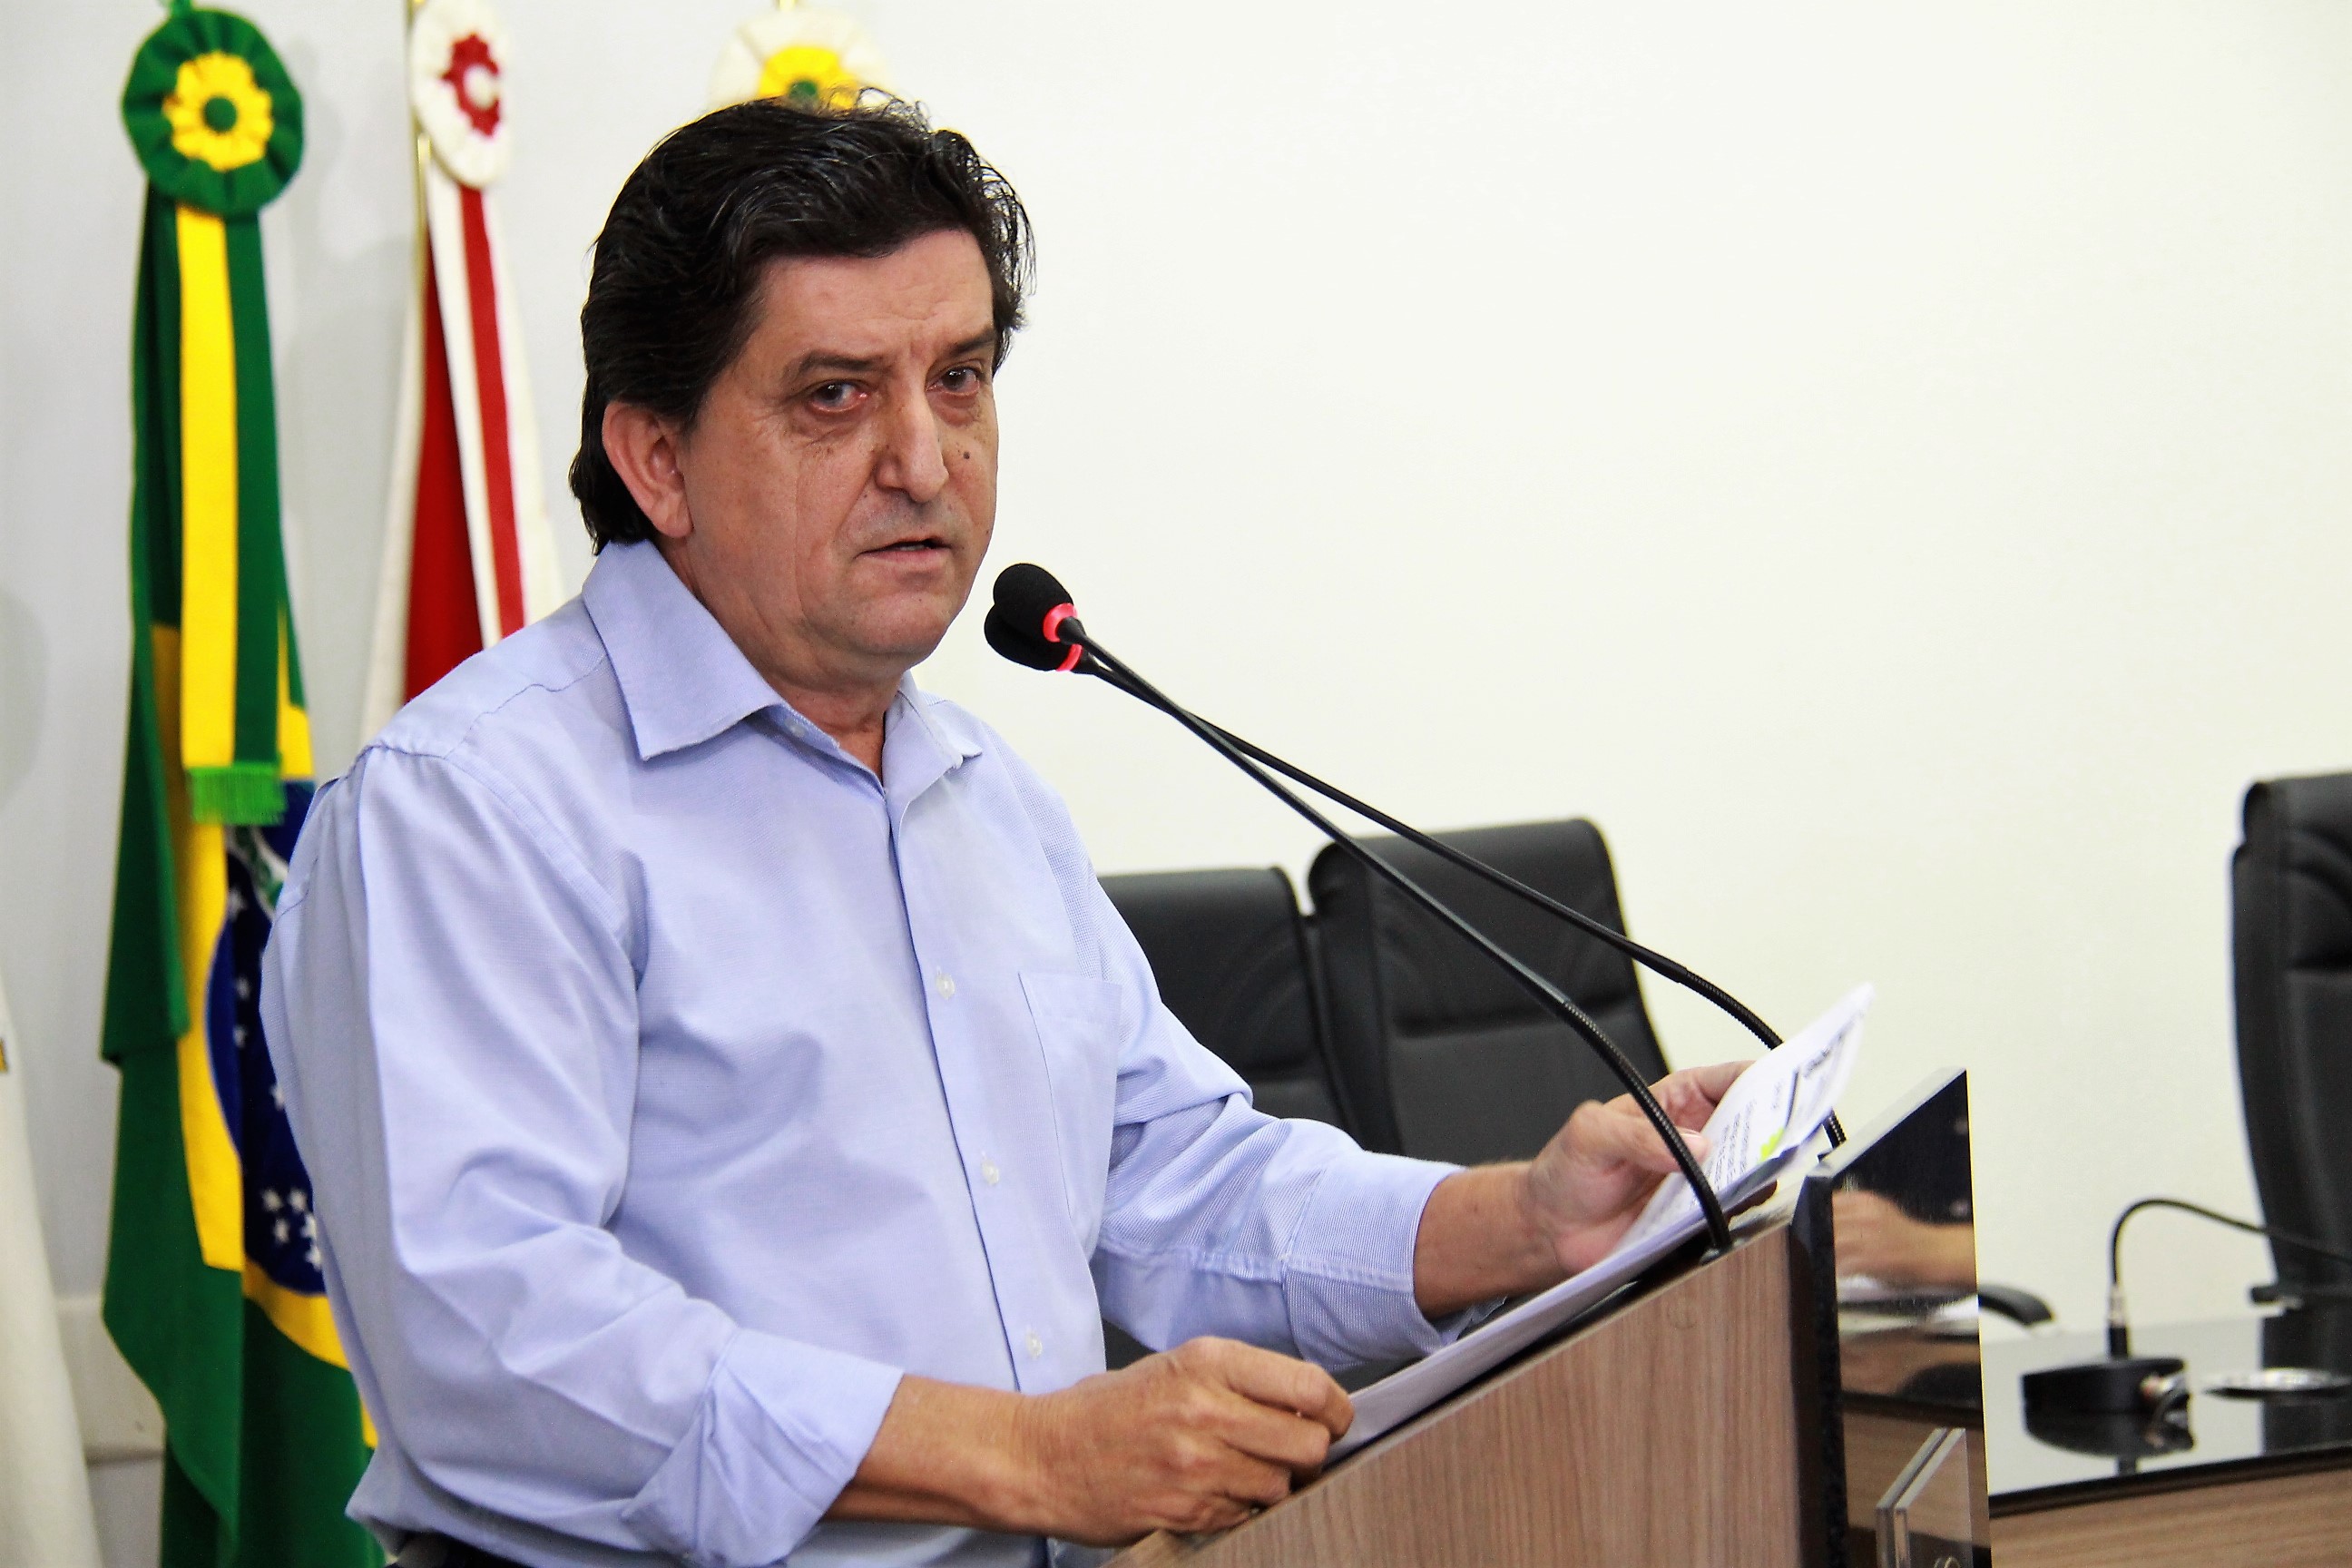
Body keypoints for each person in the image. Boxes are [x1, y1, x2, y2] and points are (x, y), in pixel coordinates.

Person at [262, 98, 1748, 1568]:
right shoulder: (474, 808)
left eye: (960, 378)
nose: (925, 459)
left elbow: (1173, 1184)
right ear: (656, 458)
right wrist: (1029, 1456)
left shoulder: (979, 790)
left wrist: (1523, 1222)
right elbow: (494, 1342)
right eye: (835, 395)